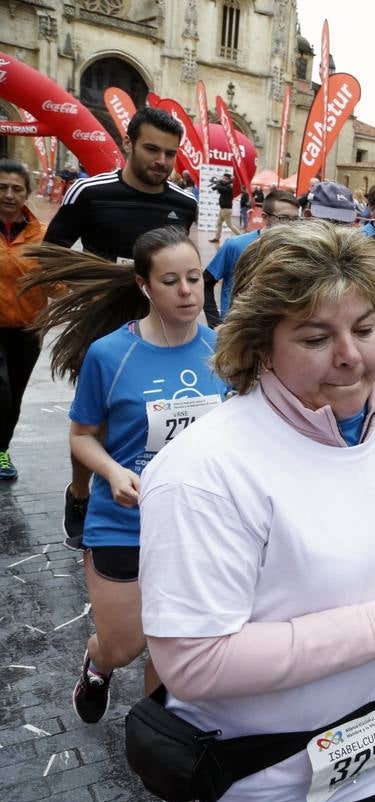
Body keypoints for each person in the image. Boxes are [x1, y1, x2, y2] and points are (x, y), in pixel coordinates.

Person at [138, 222, 375, 802]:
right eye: (316, 338)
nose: (350, 356)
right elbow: (193, 662)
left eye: (366, 327)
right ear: (259, 345)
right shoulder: (204, 470)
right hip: (254, 765)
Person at [24, 228, 228, 723]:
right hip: (125, 521)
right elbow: (81, 436)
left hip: (196, 525)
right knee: (126, 645)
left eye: (194, 278)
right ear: (144, 286)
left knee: (175, 649)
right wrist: (113, 472)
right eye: (171, 281)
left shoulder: (224, 350)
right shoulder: (111, 354)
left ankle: (159, 740)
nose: (186, 291)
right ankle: (97, 664)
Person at [41, 106, 198, 549]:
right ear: (128, 143)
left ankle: (148, 486)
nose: (161, 162)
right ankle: (80, 493)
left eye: (170, 153)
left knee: (154, 409)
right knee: (94, 418)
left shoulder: (183, 204)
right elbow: (51, 254)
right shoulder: (89, 192)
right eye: (152, 149)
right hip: (102, 322)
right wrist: (76, 291)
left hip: (163, 322)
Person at [0, 159, 46, 481]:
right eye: (2, 187)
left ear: (27, 193)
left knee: (13, 395)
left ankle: (2, 449)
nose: (8, 194)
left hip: (27, 329)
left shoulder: (42, 235)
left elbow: (55, 282)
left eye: (16, 188)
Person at [203, 189, 301, 326]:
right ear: (265, 217)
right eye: (284, 219)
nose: (291, 226)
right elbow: (206, 283)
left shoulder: (296, 251)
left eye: (295, 220)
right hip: (236, 331)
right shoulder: (236, 245)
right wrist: (215, 324)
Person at [211, 172, 239, 242]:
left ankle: (240, 236)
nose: (223, 179)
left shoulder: (229, 187)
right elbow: (215, 188)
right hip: (222, 209)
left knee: (229, 225)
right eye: (223, 178)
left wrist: (218, 182)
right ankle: (217, 238)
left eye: (226, 179)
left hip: (226, 209)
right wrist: (219, 183)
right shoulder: (225, 185)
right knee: (219, 223)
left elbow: (219, 187)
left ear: (229, 180)